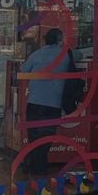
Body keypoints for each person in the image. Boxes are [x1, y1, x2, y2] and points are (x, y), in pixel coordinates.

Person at [21, 28, 81, 175]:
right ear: (60, 40)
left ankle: (34, 166)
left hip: (34, 104)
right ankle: (39, 169)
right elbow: (80, 55)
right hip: (52, 105)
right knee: (46, 139)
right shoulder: (65, 54)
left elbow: (23, 69)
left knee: (34, 138)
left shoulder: (36, 54)